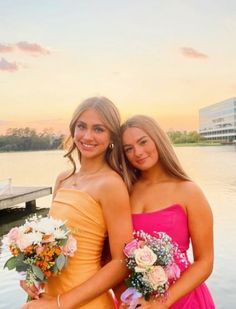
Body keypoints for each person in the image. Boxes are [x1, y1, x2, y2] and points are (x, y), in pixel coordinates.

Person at [20, 96, 133, 309]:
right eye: (82, 126)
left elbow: (121, 262)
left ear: (111, 137)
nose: (87, 136)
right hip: (46, 298)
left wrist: (60, 304)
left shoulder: (111, 184)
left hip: (84, 301)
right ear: (73, 129)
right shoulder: (63, 179)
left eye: (98, 129)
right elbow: (49, 244)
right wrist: (31, 274)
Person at [119, 115, 215, 308]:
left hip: (183, 298)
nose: (137, 152)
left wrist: (161, 303)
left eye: (143, 142)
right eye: (128, 149)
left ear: (158, 139)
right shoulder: (123, 191)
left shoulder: (188, 191)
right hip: (135, 300)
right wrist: (126, 295)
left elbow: (205, 261)